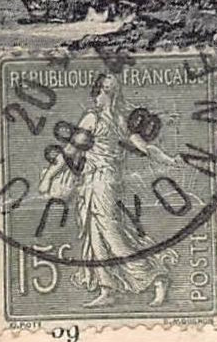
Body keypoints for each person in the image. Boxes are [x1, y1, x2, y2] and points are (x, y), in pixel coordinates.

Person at [38, 72, 183, 307]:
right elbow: (146, 148)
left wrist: (48, 176)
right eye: (105, 89)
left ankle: (156, 277)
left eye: (111, 90)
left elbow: (70, 153)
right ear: (98, 90)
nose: (107, 94)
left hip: (103, 181)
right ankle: (108, 289)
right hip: (92, 182)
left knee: (112, 234)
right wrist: (168, 159)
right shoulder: (116, 121)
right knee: (95, 234)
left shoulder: (95, 119)